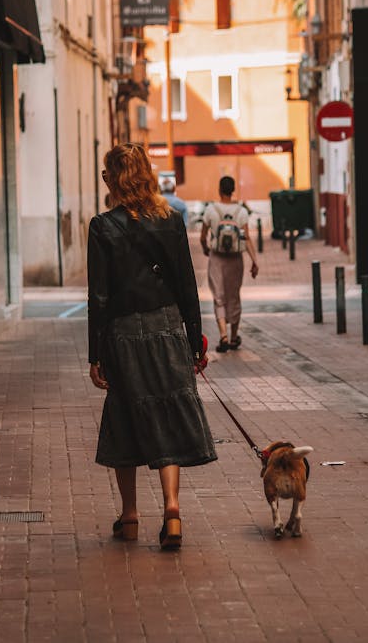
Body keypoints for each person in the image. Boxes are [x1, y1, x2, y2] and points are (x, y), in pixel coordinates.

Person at [88, 143, 216, 550]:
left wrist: (95, 355)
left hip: (123, 333)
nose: (104, 180)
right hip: (166, 327)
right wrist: (196, 340)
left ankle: (129, 517)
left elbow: (99, 298)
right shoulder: (172, 221)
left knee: (124, 416)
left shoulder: (102, 226)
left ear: (115, 178)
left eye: (107, 174)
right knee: (168, 409)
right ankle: (173, 511)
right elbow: (186, 286)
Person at [200, 176, 259, 352]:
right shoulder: (241, 212)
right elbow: (246, 238)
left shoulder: (211, 210)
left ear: (219, 189)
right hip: (235, 260)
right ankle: (234, 337)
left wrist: (205, 249)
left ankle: (223, 336)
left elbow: (203, 236)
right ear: (233, 190)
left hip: (216, 258)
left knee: (219, 296)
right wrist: (255, 261)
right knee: (234, 296)